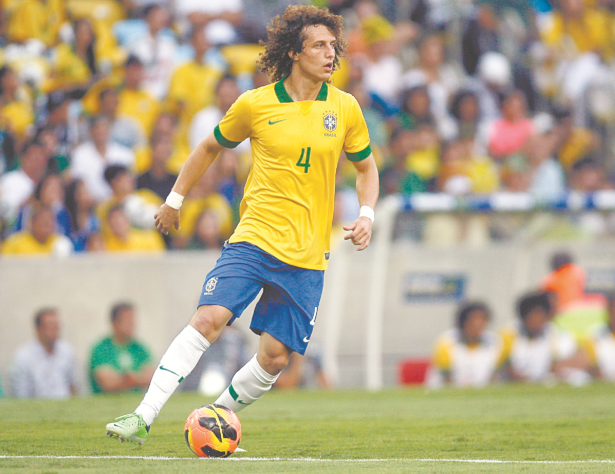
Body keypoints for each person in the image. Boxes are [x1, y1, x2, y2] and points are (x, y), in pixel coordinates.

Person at [106, 5, 378, 445]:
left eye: (334, 46)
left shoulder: (345, 108)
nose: (331, 54)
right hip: (254, 240)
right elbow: (207, 148)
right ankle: (142, 415)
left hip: (307, 256)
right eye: (320, 46)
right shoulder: (255, 104)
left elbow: (367, 169)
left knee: (273, 359)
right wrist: (174, 200)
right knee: (209, 318)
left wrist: (366, 215)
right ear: (294, 52)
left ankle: (216, 417)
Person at [427, 301, 506, 388]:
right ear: (463, 321)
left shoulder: (494, 341)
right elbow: (447, 378)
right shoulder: (446, 341)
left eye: (483, 319)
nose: (479, 323)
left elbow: (495, 375)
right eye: (474, 319)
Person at [11, 308, 78, 399]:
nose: (54, 331)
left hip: (65, 405)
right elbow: (21, 394)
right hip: (36, 407)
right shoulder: (23, 357)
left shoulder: (67, 351)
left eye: (56, 326)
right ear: (38, 328)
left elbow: (72, 385)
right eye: (50, 326)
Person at [89, 302, 155, 394]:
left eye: (133, 320)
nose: (132, 324)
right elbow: (107, 383)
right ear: (114, 323)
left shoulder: (140, 348)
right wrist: (136, 379)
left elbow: (152, 377)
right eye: (127, 320)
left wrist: (127, 379)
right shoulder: (101, 349)